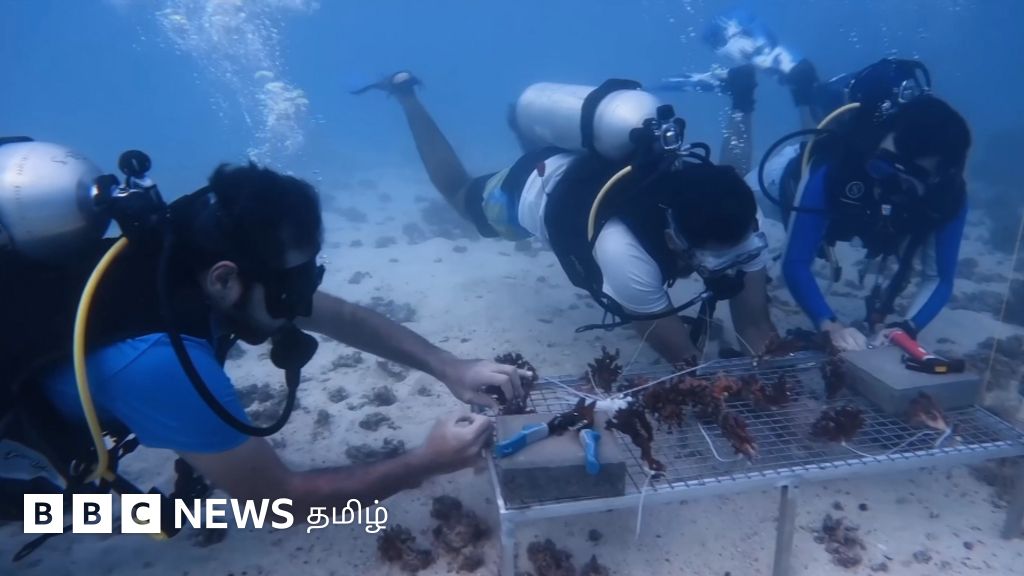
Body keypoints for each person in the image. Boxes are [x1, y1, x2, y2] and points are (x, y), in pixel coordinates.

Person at [0, 139, 529, 544]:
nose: (305, 297)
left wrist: (449, 366)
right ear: (225, 279)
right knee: (53, 507)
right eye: (294, 283)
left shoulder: (187, 253)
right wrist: (426, 462)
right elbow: (278, 501)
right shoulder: (158, 363)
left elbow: (341, 315)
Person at [356, 69, 778, 365]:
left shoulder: (741, 214)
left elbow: (755, 326)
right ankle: (407, 95)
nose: (734, 267)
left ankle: (531, 128)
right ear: (674, 241)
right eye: (717, 261)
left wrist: (772, 361)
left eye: (744, 252)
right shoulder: (623, 254)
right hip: (539, 187)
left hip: (608, 167)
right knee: (461, 197)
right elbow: (682, 358)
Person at [759, 58, 971, 351]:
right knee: (738, 207)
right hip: (787, 179)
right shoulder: (838, 164)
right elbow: (795, 263)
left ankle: (808, 91)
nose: (883, 180)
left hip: (859, 214)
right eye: (879, 166)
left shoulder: (947, 197)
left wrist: (906, 328)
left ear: (935, 178)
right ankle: (797, 94)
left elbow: (938, 278)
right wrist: (828, 323)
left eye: (897, 177)